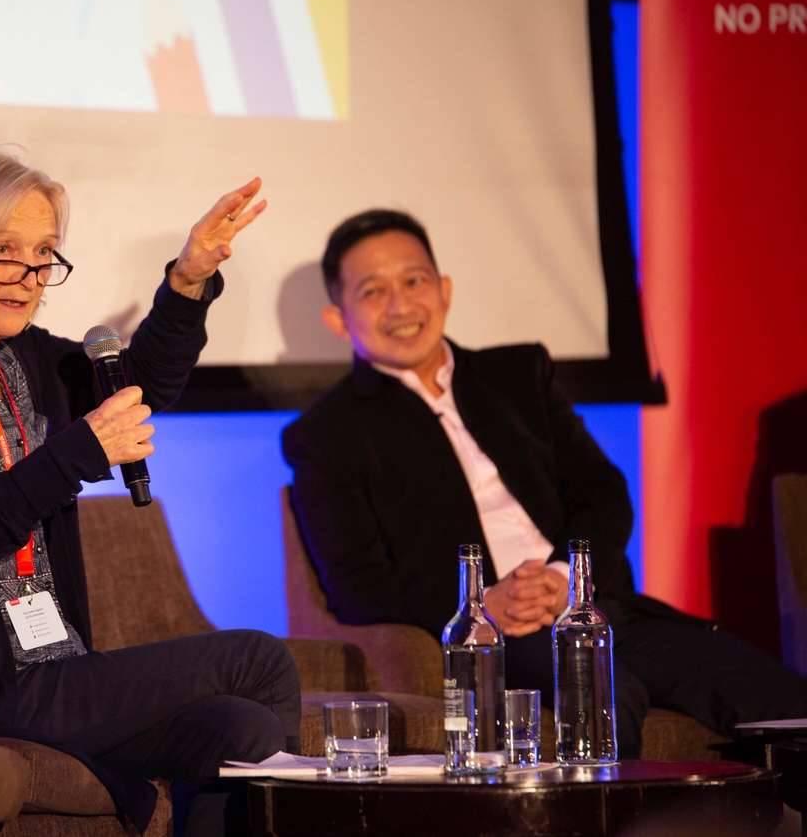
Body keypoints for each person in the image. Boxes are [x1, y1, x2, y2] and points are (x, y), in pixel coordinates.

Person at [0, 149, 301, 836]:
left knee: (240, 728)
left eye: (44, 254)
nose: (27, 276)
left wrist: (188, 279)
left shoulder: (23, 355)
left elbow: (138, 383)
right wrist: (79, 452)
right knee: (259, 661)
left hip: (55, 665)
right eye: (4, 250)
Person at [281, 208, 807, 758]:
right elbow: (357, 584)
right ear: (339, 319)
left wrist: (565, 579)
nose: (400, 305)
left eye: (414, 280)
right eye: (373, 291)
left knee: (780, 697)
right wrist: (482, 602)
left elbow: (602, 490)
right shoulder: (325, 436)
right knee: (602, 696)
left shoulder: (519, 375)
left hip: (598, 608)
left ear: (444, 289)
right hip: (499, 641)